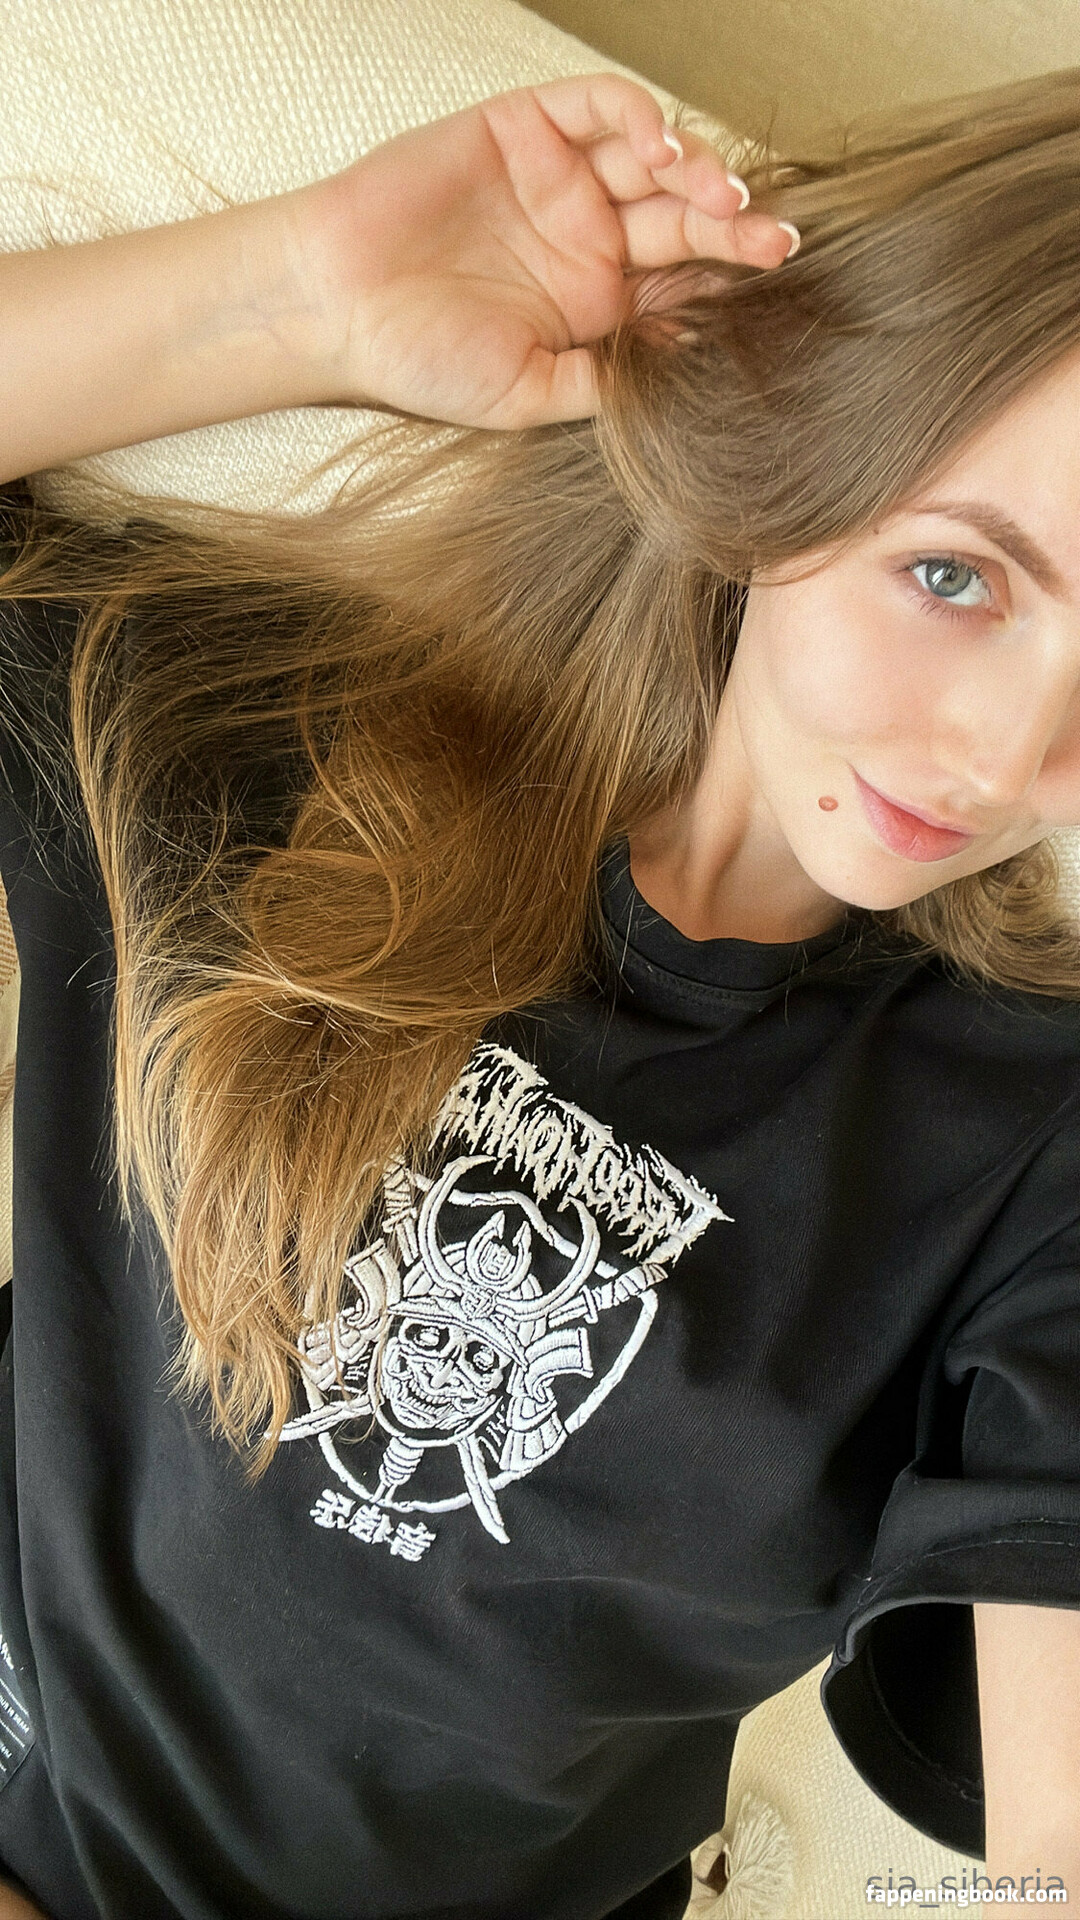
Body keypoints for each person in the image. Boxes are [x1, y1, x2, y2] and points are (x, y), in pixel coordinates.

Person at [0, 59, 1079, 1920]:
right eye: (951, 576)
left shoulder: (1032, 1133)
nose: (1007, 761)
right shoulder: (254, 738)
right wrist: (305, 295)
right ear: (792, 442)